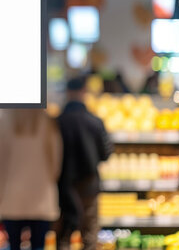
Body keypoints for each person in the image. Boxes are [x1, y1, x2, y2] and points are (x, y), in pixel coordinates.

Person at [0, 109, 62, 250]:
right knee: (39, 244)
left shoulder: (7, 119)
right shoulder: (46, 121)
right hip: (42, 194)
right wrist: (50, 181)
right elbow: (56, 159)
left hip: (12, 194)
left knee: (14, 244)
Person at [56, 77, 113, 250]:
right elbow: (106, 154)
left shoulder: (56, 123)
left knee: (64, 236)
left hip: (62, 187)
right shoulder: (95, 122)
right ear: (84, 92)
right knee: (89, 237)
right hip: (89, 186)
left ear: (67, 93)